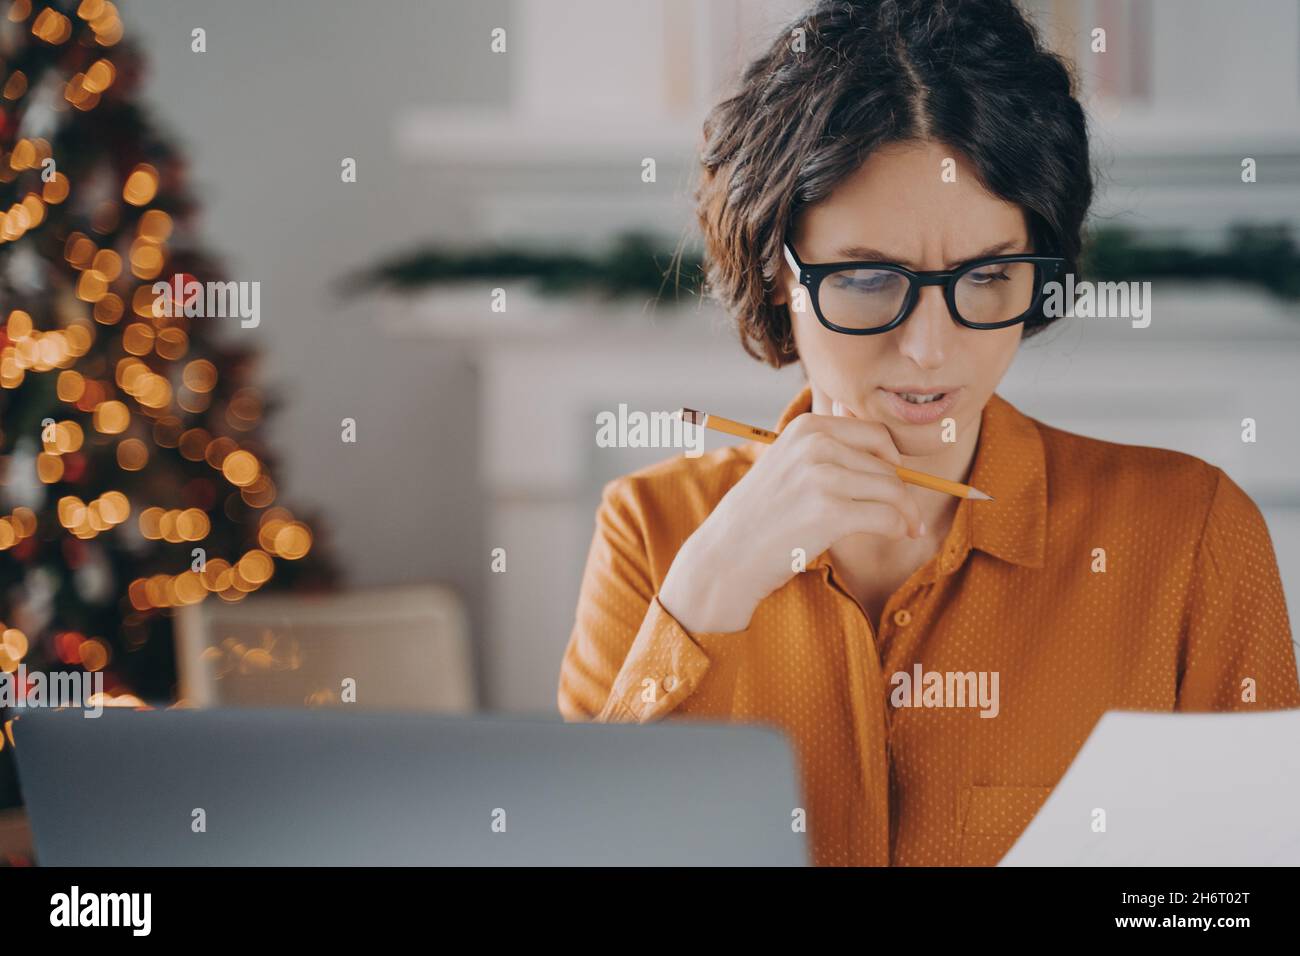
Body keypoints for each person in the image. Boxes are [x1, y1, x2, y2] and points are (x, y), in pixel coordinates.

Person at [557, 0, 1300, 866]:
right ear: (775, 274)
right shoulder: (650, 535)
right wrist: (703, 595)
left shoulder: (1190, 534)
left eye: (988, 276)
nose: (931, 349)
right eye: (870, 277)